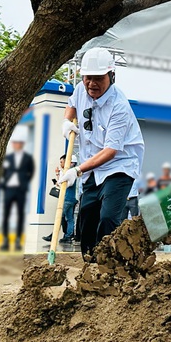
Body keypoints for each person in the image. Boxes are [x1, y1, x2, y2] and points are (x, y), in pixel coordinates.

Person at [59, 47, 144, 260]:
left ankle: (110, 264)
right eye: (88, 78)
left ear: (111, 76)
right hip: (92, 167)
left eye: (98, 78)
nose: (91, 84)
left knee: (107, 218)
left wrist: (76, 170)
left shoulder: (119, 107)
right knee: (86, 218)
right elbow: (72, 106)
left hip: (119, 165)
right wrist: (67, 122)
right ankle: (90, 263)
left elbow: (110, 151)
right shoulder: (81, 89)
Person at [0, 130, 34, 251]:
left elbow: (31, 172)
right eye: (15, 143)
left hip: (20, 190)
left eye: (19, 143)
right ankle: (5, 241)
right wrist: (4, 185)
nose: (17, 145)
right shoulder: (8, 158)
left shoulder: (28, 158)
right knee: (6, 215)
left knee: (20, 215)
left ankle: (18, 240)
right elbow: (2, 173)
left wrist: (24, 183)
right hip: (8, 189)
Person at [43, 153, 79, 244]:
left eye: (62, 162)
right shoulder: (72, 172)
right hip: (71, 199)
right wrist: (58, 174)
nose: (61, 164)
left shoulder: (70, 172)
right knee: (69, 218)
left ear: (71, 163)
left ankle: (55, 235)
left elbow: (62, 183)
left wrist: (58, 175)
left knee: (60, 217)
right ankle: (68, 235)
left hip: (67, 199)